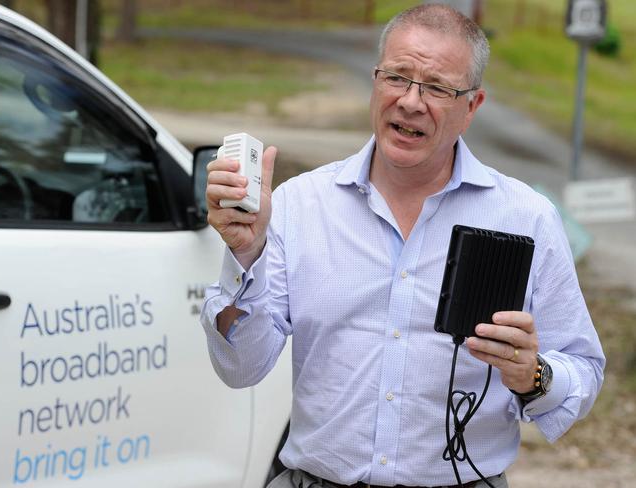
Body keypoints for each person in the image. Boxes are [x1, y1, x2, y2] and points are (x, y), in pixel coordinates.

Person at [201, 4, 605, 488]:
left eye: (437, 87)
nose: (411, 102)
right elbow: (240, 368)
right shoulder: (299, 205)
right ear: (375, 81)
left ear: (472, 107)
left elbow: (582, 370)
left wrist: (533, 375)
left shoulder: (527, 217)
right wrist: (246, 254)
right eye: (397, 77)